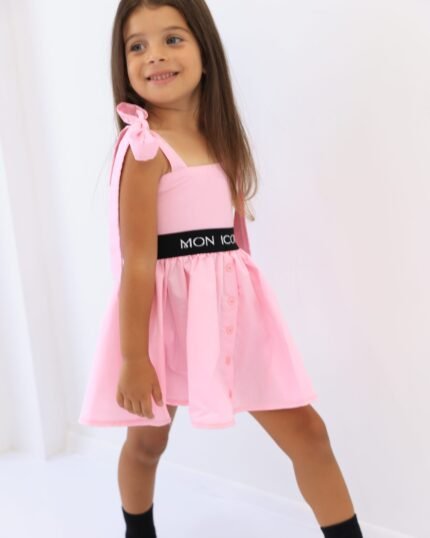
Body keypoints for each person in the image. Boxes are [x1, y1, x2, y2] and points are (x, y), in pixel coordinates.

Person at [79, 1, 364, 537]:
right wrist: (135, 357)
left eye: (172, 39)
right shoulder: (144, 147)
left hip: (231, 310)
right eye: (137, 46)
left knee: (308, 432)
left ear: (205, 53)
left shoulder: (219, 137)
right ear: (124, 63)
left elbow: (230, 241)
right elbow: (137, 261)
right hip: (165, 318)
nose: (154, 55)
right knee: (147, 442)